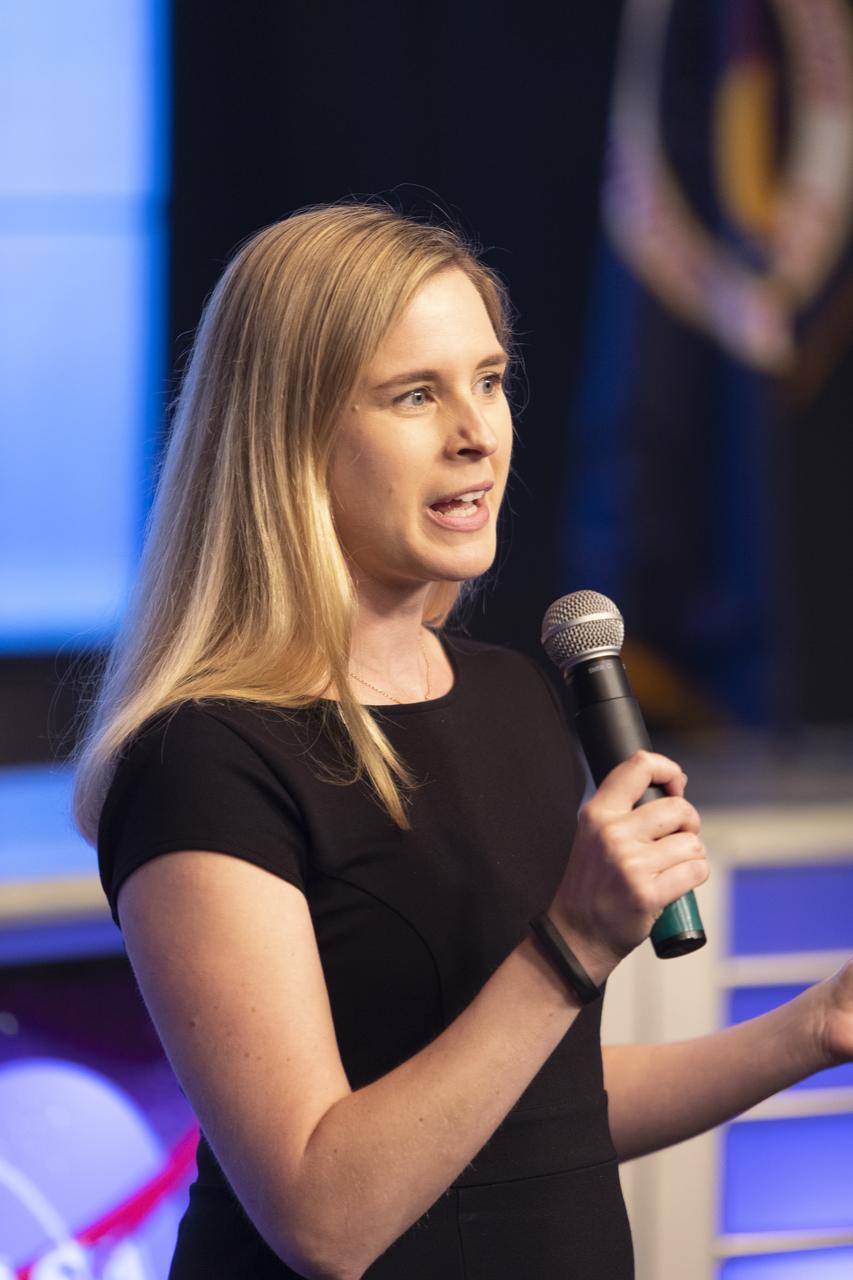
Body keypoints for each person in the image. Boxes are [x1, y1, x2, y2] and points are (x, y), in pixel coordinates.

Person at [74, 202, 853, 1280]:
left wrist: (816, 1027)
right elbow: (323, 1214)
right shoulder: (203, 756)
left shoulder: (513, 694)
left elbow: (541, 1108)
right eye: (414, 394)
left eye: (488, 379)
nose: (477, 430)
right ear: (289, 434)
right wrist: (571, 944)